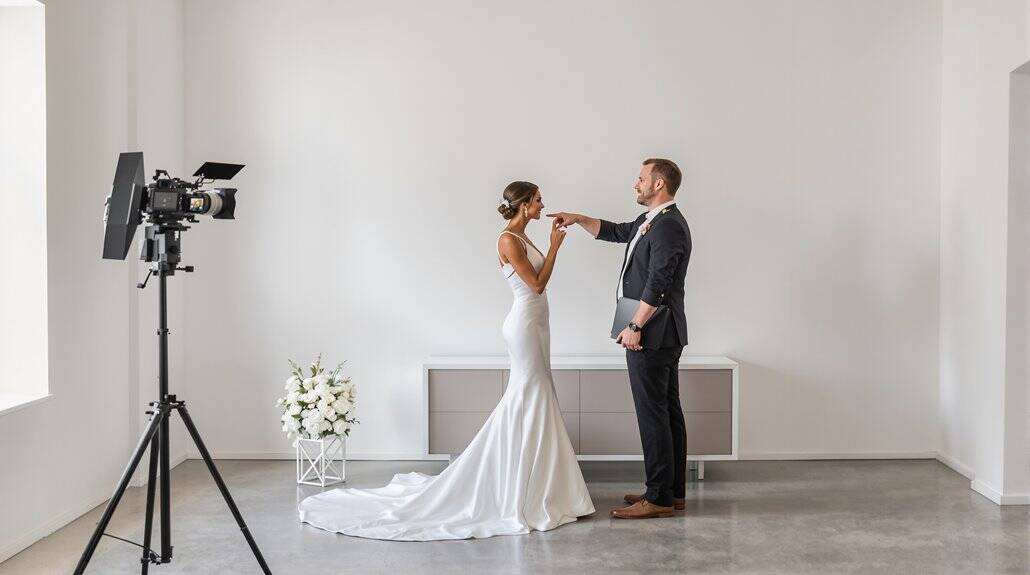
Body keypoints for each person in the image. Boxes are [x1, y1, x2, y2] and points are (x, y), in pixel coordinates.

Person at [297, 180, 594, 540]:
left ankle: (543, 487)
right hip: (523, 325)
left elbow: (539, 283)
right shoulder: (507, 240)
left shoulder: (524, 238)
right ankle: (516, 488)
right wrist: (555, 247)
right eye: (537, 200)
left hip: (538, 324)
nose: (542, 204)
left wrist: (549, 245)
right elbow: (537, 285)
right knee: (529, 396)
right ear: (523, 205)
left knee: (538, 397)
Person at [547, 158, 692, 520]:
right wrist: (580, 219)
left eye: (641, 178)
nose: (635, 184)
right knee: (666, 410)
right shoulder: (653, 221)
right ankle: (670, 492)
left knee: (653, 414)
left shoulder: (669, 226)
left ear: (659, 184)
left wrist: (636, 325)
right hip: (662, 332)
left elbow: (658, 281)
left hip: (654, 332)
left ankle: (658, 497)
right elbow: (618, 231)